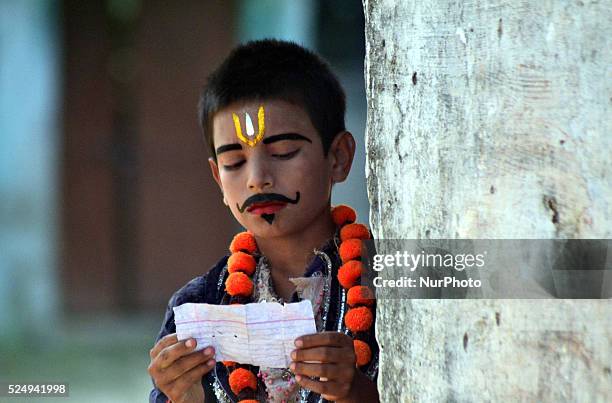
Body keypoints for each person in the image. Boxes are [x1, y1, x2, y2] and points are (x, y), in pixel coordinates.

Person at [148, 39, 379, 403]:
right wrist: (185, 396)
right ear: (218, 180)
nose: (257, 178)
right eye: (235, 163)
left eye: (283, 152)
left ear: (338, 157)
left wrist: (361, 394)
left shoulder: (390, 279)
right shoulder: (198, 306)